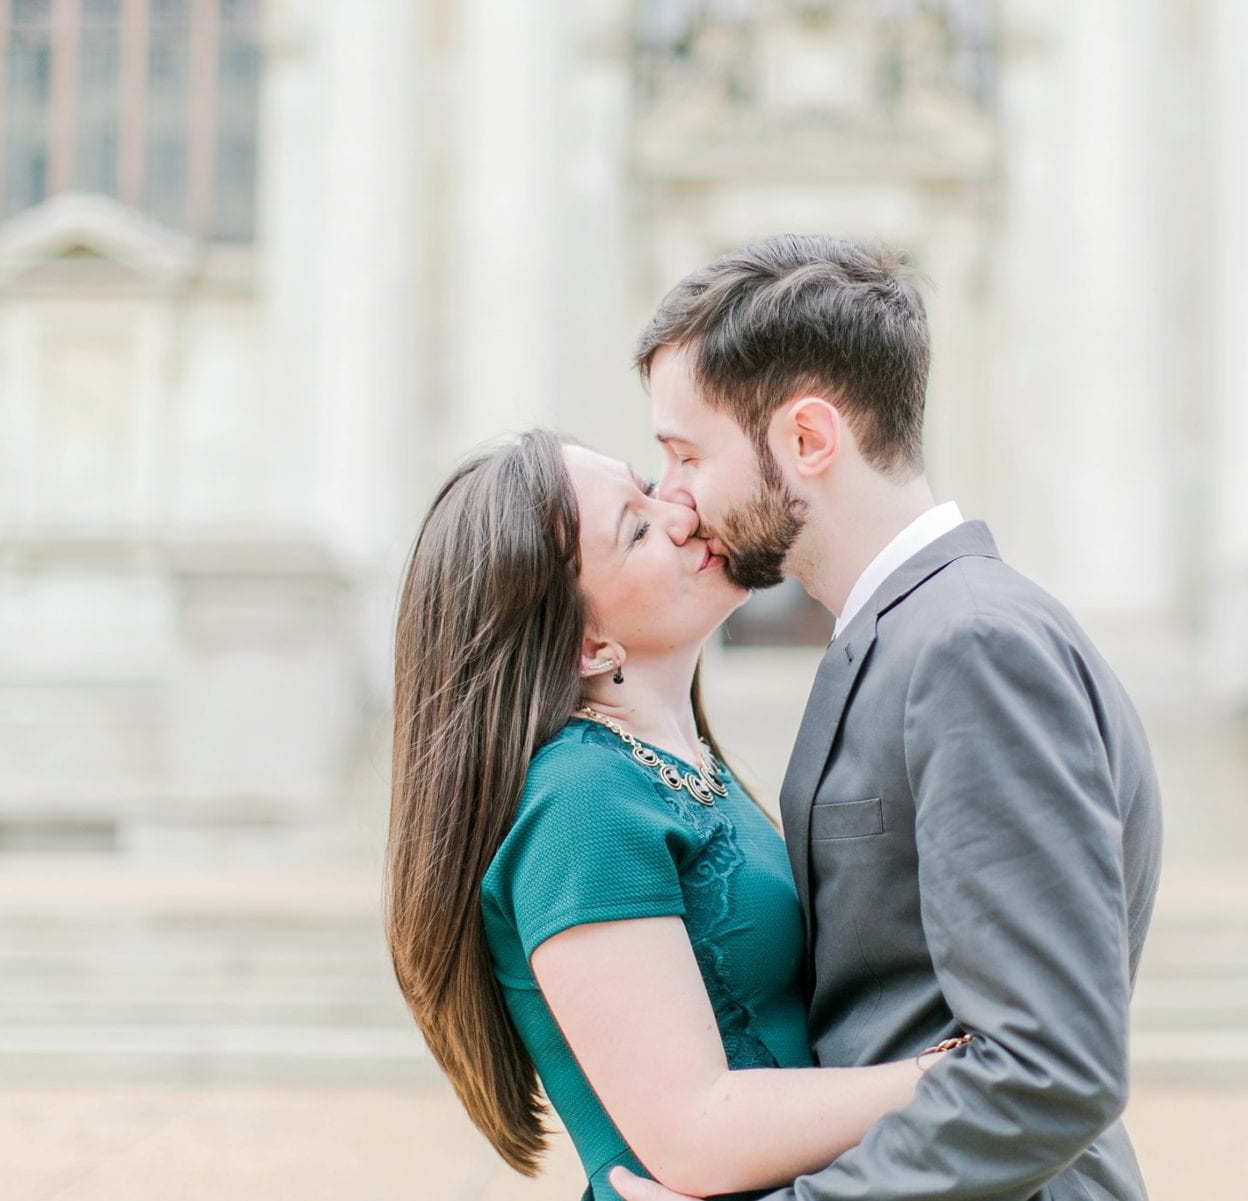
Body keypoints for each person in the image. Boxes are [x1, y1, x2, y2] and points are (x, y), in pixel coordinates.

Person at [610, 234, 1164, 1201]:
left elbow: (1050, 1069)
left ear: (809, 440)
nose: (672, 499)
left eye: (687, 453)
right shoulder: (906, 634)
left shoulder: (970, 647)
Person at [385, 429, 959, 1201]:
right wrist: (957, 1075)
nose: (682, 510)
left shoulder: (681, 768)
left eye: (648, 490)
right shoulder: (580, 798)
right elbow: (695, 1130)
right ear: (591, 645)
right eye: (638, 526)